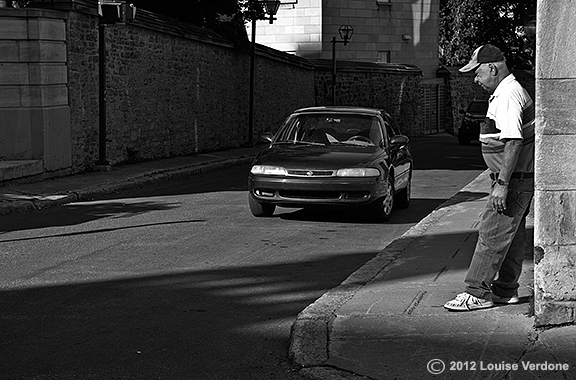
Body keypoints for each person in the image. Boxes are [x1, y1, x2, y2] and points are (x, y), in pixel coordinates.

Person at [444, 44, 535, 311]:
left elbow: (513, 142)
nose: (475, 78)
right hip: (517, 178)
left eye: (477, 72)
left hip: (512, 180)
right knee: (511, 236)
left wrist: (502, 185)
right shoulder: (507, 91)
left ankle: (476, 292)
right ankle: (506, 290)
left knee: (491, 234)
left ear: (492, 68)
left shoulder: (507, 94)